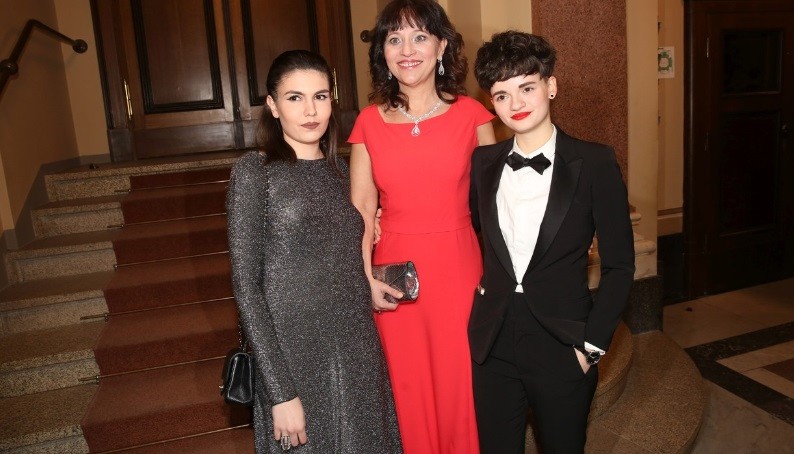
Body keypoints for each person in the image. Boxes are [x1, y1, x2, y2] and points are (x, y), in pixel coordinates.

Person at [226, 49, 402, 454]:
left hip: (357, 344)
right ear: (272, 105)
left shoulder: (344, 171)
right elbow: (247, 288)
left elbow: (341, 255)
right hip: (292, 353)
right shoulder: (256, 172)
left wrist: (368, 282)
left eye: (320, 97)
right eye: (295, 98)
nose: (310, 111)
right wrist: (280, 393)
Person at [468, 31, 635, 453]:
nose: (516, 103)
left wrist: (591, 347)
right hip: (493, 342)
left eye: (526, 87)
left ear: (551, 85)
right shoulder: (483, 163)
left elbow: (620, 266)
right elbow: (468, 228)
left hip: (563, 343)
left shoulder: (594, 162)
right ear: (491, 103)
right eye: (502, 95)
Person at [348, 1, 496, 452]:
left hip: (459, 268)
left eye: (419, 37)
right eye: (394, 39)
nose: (407, 50)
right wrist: (364, 278)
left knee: (461, 384)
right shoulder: (368, 122)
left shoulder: (473, 115)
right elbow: (361, 208)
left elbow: (495, 206)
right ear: (383, 53)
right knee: (406, 386)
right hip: (395, 275)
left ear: (442, 46)